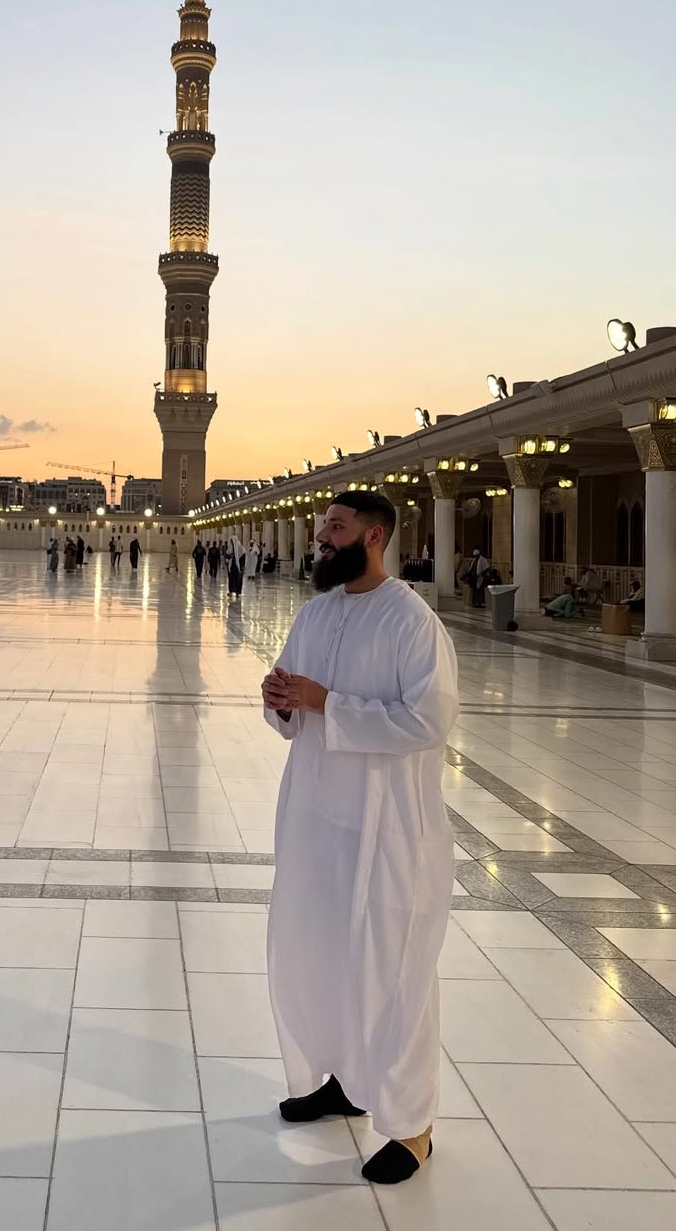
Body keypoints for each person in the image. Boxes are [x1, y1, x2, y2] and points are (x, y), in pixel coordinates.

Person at [261, 492, 458, 1186]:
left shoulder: (411, 620)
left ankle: (412, 1127)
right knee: (322, 951)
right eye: (322, 525)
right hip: (317, 819)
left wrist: (324, 702)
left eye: (335, 526)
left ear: (373, 536)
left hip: (389, 829)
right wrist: (280, 700)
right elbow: (290, 699)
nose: (321, 535)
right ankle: (344, 1080)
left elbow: (427, 723)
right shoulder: (316, 612)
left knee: (392, 968)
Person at [226, 533, 245, 597]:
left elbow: (243, 558)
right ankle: (231, 591)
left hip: (238, 567)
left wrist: (242, 567)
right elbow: (227, 555)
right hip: (232, 566)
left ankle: (238, 592)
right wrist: (229, 557)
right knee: (231, 579)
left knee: (238, 579)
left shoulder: (241, 550)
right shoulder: (230, 549)